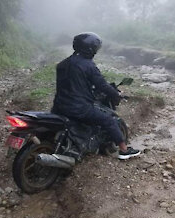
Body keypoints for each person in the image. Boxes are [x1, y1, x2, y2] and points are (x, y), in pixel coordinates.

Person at [51, 32, 141, 160]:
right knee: (109, 120)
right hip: (78, 108)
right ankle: (124, 150)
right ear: (90, 48)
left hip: (59, 106)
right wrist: (116, 94)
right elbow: (102, 85)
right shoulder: (88, 65)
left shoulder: (62, 64)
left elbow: (72, 82)